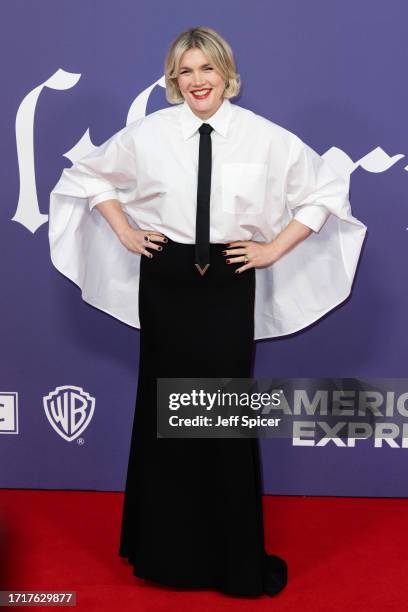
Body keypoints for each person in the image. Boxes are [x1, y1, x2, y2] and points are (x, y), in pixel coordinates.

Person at [48, 26, 366, 597]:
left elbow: (325, 192)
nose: (196, 81)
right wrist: (123, 229)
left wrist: (272, 248)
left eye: (205, 70)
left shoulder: (264, 137)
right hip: (166, 279)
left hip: (226, 281)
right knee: (162, 409)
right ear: (173, 80)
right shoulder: (147, 134)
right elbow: (87, 176)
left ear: (226, 74)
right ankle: (163, 555)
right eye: (184, 72)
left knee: (219, 413)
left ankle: (230, 559)